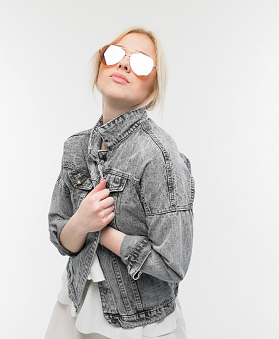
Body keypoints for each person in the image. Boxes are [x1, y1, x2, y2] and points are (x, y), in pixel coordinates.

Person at [45, 27, 195, 339]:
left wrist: (101, 232)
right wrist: (81, 222)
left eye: (140, 63)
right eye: (115, 54)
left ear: (154, 87)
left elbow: (173, 264)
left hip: (140, 324)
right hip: (74, 306)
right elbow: (61, 238)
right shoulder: (75, 147)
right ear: (100, 63)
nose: (124, 64)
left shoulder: (159, 155)